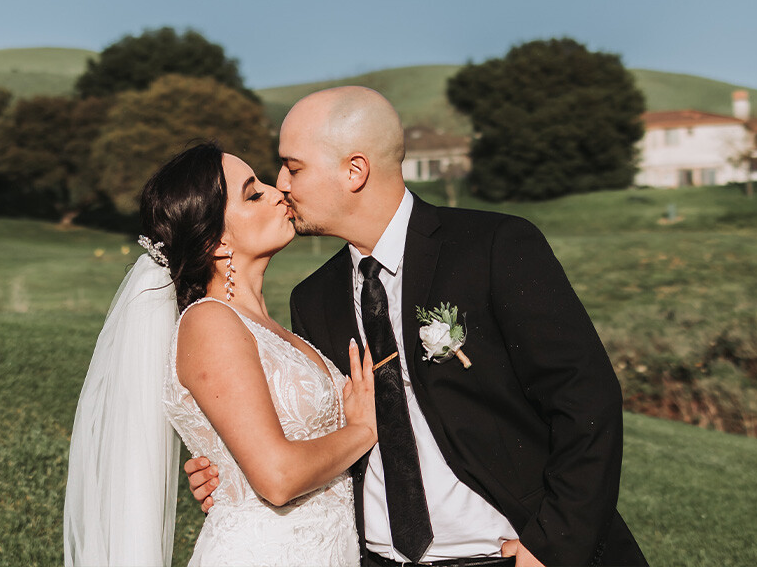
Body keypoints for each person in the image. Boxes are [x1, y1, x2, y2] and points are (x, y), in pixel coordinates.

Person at [186, 87, 648, 567]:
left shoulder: (493, 247)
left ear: (354, 170)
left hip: (507, 553)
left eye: (294, 167)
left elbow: (586, 400)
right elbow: (317, 431)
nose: (281, 183)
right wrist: (228, 465)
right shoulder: (313, 298)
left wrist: (551, 548)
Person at [63, 141, 376, 567]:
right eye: (253, 193)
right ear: (217, 241)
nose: (277, 191)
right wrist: (364, 430)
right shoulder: (210, 324)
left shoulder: (278, 327)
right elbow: (278, 479)